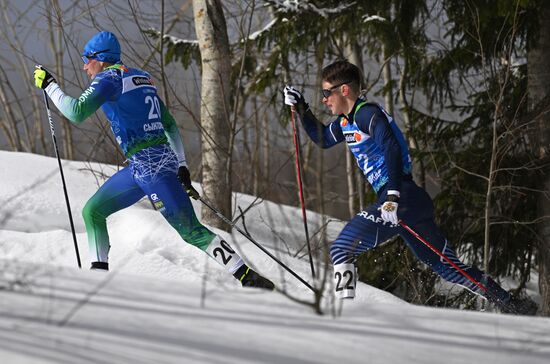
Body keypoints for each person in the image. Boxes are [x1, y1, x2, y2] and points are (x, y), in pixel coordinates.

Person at [283, 60, 530, 313]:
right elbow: (323, 138)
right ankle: (511, 305)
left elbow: (390, 146)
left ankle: (345, 317)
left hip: (399, 197)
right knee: (448, 267)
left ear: (344, 90)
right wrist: (302, 108)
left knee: (341, 248)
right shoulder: (346, 122)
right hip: (409, 201)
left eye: (326, 93)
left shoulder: (366, 113)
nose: (324, 100)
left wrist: (392, 194)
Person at [33, 31, 274, 290]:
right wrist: (181, 164)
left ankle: (246, 276)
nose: (84, 66)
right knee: (93, 211)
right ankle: (98, 276)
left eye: (87, 59)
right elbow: (169, 124)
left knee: (190, 230)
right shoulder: (138, 77)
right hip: (142, 166)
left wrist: (50, 86)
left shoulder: (109, 78)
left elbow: (77, 112)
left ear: (100, 59)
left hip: (154, 171)